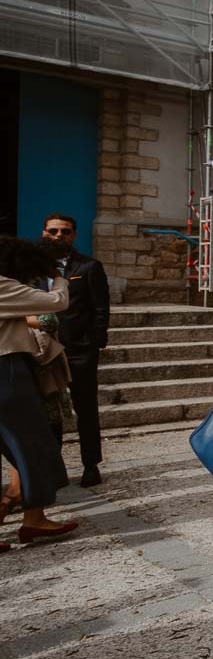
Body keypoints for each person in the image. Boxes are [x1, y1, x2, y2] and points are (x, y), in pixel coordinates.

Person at [0, 237, 81, 549]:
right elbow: (56, 303)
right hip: (6, 370)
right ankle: (34, 519)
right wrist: (59, 277)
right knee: (32, 445)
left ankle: (29, 514)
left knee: (22, 448)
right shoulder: (5, 286)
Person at [40, 214, 108, 488]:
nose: (58, 236)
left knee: (86, 409)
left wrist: (95, 343)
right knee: (48, 411)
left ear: (74, 235)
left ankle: (91, 465)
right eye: (53, 231)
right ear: (44, 233)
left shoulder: (89, 267)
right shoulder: (31, 268)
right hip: (43, 352)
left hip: (79, 350)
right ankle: (53, 467)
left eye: (65, 231)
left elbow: (101, 309)